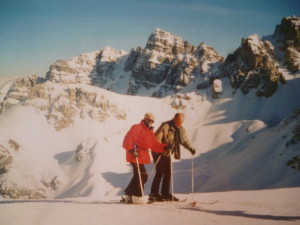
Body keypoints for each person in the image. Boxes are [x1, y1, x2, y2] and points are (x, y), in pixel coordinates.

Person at [149, 113, 196, 202]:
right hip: (157, 151)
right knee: (160, 171)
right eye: (178, 121)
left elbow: (184, 140)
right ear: (174, 119)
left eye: (181, 122)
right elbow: (157, 138)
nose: (179, 124)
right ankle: (154, 194)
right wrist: (161, 147)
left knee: (168, 173)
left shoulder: (181, 129)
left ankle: (165, 194)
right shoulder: (165, 125)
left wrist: (191, 149)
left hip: (167, 152)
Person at [122, 112, 166, 204]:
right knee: (142, 176)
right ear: (145, 119)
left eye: (152, 121)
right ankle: (138, 196)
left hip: (141, 156)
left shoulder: (150, 131)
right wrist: (131, 149)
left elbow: (153, 144)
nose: (150, 122)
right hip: (135, 154)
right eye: (149, 120)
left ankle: (129, 194)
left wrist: (164, 147)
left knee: (138, 176)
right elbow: (127, 139)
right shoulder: (137, 127)